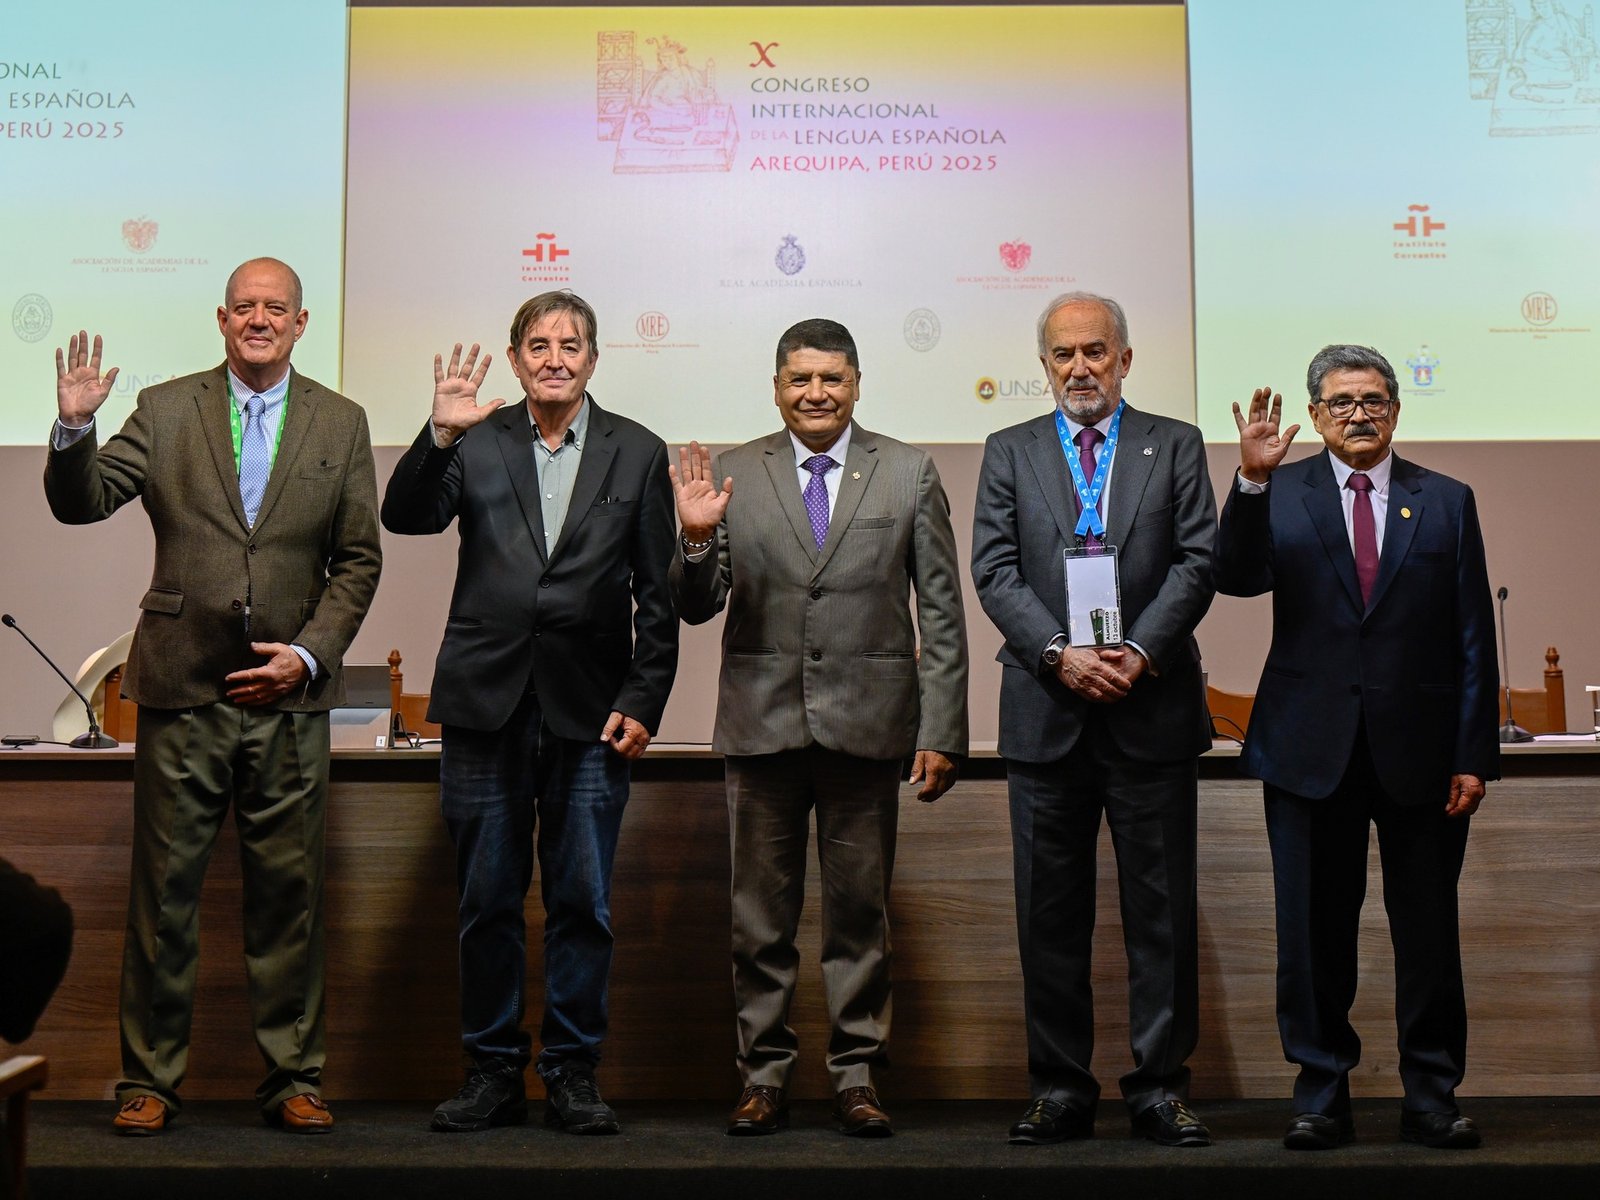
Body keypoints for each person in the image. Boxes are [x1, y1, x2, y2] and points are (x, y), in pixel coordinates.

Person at [45, 258, 383, 1135]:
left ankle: (293, 1080)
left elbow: (357, 560)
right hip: (182, 690)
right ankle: (147, 1083)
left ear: (302, 324)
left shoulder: (341, 423)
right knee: (163, 899)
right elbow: (83, 504)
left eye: (277, 308)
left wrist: (308, 656)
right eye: (245, 307)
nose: (260, 319)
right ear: (221, 320)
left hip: (290, 700)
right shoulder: (164, 408)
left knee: (291, 899)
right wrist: (73, 430)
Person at [381, 290, 678, 1136]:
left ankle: (574, 1073)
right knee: (487, 901)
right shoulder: (477, 438)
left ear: (593, 358)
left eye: (571, 344)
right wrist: (438, 433)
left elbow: (656, 599)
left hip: (593, 713)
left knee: (583, 902)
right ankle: (491, 1071)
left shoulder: (637, 451)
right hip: (485, 704)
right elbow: (404, 518)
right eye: (539, 344)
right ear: (515, 360)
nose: (555, 357)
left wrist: (644, 699)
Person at [670, 317, 968, 1138]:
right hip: (761, 727)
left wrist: (943, 728)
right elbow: (698, 604)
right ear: (775, 386)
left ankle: (857, 1077)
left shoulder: (907, 472)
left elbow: (941, 611)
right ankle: (762, 1076)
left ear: (858, 383)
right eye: (800, 379)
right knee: (758, 923)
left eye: (831, 378)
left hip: (870, 729)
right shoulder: (734, 473)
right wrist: (694, 541)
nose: (816, 393)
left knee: (859, 918)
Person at [1215, 346, 1498, 1151]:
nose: (1359, 414)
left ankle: (1433, 1094)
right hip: (1308, 750)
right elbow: (1234, 578)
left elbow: (1473, 635)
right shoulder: (1283, 490)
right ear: (1315, 415)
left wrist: (1474, 753)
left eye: (1373, 399)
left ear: (1397, 411)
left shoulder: (1444, 501)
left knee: (1429, 936)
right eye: (1340, 403)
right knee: (1311, 936)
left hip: (1423, 753)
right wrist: (1250, 481)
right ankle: (1319, 1094)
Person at [971, 292, 1216, 1147]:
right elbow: (994, 569)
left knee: (1162, 915)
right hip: (1047, 710)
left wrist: (1139, 652)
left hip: (1150, 708)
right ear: (1044, 365)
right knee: (1048, 916)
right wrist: (1057, 654)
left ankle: (1159, 1087)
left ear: (1125, 357)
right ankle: (1059, 1086)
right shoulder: (1009, 450)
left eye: (1096, 352)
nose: (1081, 368)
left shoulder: (1175, 444)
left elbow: (1197, 562)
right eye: (1064, 355)